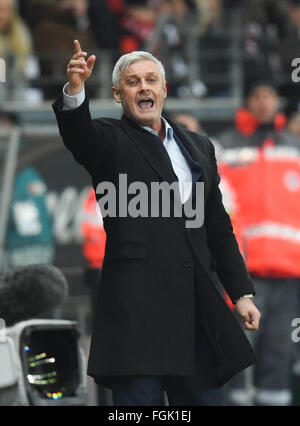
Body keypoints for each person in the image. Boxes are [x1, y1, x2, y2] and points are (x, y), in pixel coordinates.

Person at [52, 40, 260, 406]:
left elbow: (217, 227)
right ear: (118, 95)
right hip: (136, 312)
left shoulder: (198, 145)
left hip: (196, 310)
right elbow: (77, 135)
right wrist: (75, 90)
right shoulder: (108, 140)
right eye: (133, 82)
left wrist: (240, 292)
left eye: (151, 80)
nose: (144, 87)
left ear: (164, 89)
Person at [217, 81, 300, 406]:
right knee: (238, 356)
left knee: (279, 354)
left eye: (269, 95)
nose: (264, 102)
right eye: (256, 95)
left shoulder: (294, 147)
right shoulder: (225, 146)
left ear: (278, 101)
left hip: (290, 273)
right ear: (246, 101)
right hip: (243, 275)